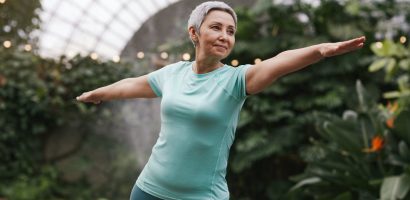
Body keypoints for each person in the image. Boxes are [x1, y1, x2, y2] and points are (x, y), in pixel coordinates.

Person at [76, 1, 366, 200]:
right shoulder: (172, 74)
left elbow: (279, 62)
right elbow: (131, 85)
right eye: (216, 27)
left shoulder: (236, 81)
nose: (225, 36)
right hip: (149, 189)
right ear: (194, 33)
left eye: (231, 31)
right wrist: (98, 93)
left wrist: (320, 50)